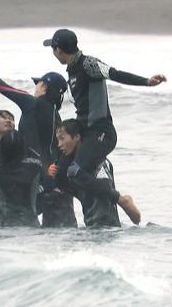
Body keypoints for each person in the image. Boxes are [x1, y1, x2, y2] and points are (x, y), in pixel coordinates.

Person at [43, 28, 165, 219]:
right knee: (59, 175)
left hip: (101, 132)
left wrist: (146, 82)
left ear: (58, 50)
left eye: (52, 48)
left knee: (76, 171)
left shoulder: (88, 64)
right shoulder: (73, 70)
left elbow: (114, 74)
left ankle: (122, 200)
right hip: (84, 132)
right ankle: (90, 195)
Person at [0, 53, 76, 227]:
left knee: (21, 229)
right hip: (57, 182)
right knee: (62, 238)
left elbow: (2, 87)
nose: (36, 88)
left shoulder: (32, 103)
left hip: (36, 179)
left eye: (38, 84)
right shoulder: (57, 118)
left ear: (45, 88)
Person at [48, 119, 140, 226]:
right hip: (90, 224)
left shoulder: (98, 161)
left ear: (77, 137)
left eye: (62, 139)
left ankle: (125, 200)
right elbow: (72, 190)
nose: (59, 144)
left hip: (108, 226)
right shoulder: (71, 165)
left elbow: (105, 186)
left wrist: (121, 200)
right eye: (58, 140)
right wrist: (55, 175)